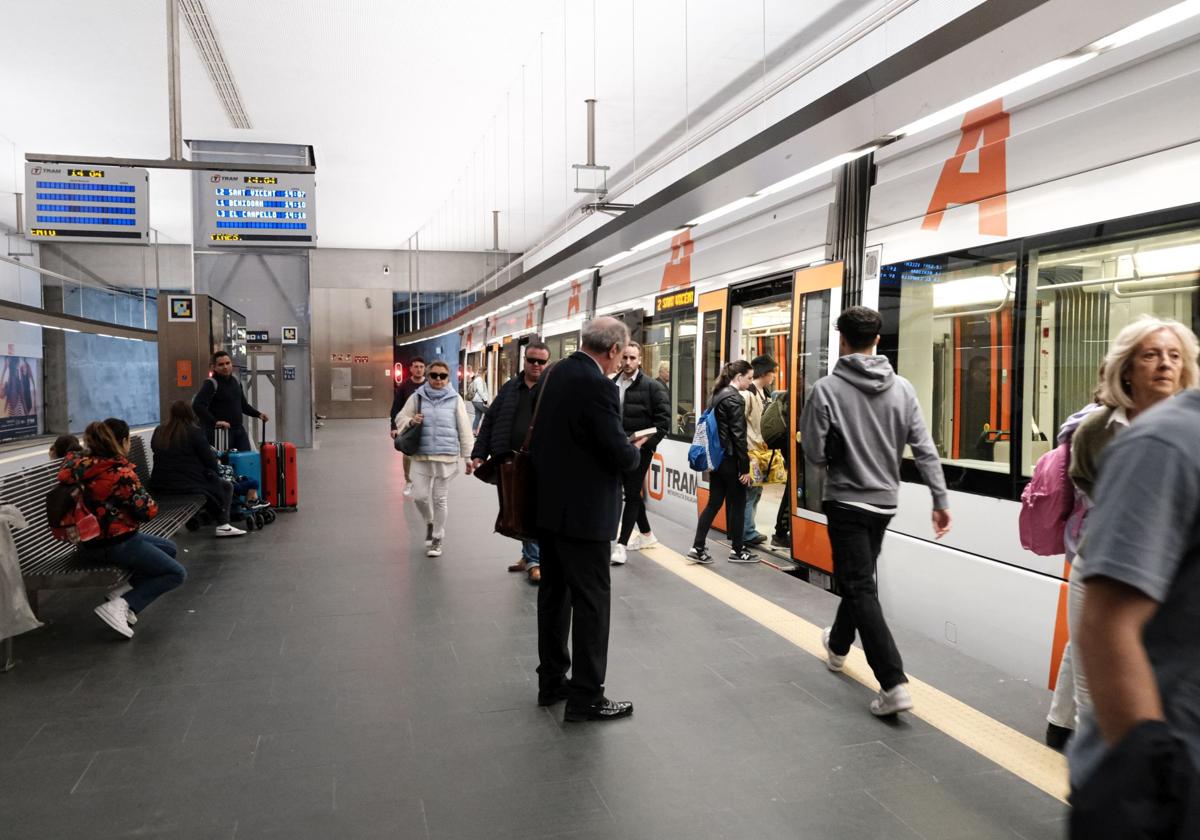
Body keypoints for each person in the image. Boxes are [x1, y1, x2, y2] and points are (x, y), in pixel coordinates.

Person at [1046, 317, 1198, 750]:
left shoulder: (1192, 426)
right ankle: (1103, 772)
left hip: (1174, 576)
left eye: (1173, 356)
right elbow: (1082, 475)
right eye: (1150, 355)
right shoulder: (1097, 428)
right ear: (1127, 368)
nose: (1164, 365)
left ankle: (1072, 732)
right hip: (1102, 563)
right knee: (1097, 677)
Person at [800, 306, 951, 717]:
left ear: (842, 341)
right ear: (877, 340)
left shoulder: (826, 390)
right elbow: (923, 447)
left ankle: (893, 682)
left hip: (846, 501)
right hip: (885, 503)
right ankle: (836, 646)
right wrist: (940, 499)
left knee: (860, 586)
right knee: (859, 579)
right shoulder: (902, 388)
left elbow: (812, 452)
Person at [1068, 387, 1200, 837]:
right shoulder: (1164, 445)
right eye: (1149, 355)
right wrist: (1159, 796)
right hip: (1172, 778)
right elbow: (1106, 627)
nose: (1162, 364)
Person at [531, 317, 647, 721]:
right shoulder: (598, 385)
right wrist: (633, 449)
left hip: (549, 509)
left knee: (554, 598)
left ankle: (551, 682)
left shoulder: (557, 371)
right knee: (593, 604)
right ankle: (587, 698)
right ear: (614, 350)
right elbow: (617, 452)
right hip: (584, 515)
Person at [57, 418, 185, 638]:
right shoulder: (118, 473)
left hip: (88, 541)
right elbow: (148, 511)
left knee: (169, 548)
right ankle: (125, 604)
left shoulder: (79, 464)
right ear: (124, 441)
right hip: (115, 543)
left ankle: (122, 592)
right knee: (175, 573)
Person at [470, 342, 551, 582]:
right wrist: (479, 452)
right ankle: (528, 556)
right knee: (519, 509)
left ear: (547, 364)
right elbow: (491, 421)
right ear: (524, 361)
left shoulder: (551, 389)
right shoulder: (510, 388)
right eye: (531, 360)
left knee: (533, 508)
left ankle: (535, 560)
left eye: (541, 361)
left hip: (540, 461)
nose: (536, 365)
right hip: (510, 460)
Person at [395, 360, 475, 557]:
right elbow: (400, 418)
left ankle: (437, 537)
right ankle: (430, 522)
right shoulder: (417, 397)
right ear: (428, 377)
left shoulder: (455, 399)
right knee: (420, 497)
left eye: (443, 376)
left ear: (448, 378)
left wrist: (468, 457)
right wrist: (411, 421)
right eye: (434, 375)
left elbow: (464, 428)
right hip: (421, 455)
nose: (438, 379)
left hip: (446, 456)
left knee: (440, 499)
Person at [689, 359, 755, 565]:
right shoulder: (735, 399)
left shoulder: (718, 395)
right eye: (749, 378)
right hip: (731, 459)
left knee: (714, 502)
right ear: (739, 377)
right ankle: (738, 550)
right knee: (738, 504)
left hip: (717, 459)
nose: (750, 382)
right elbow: (738, 436)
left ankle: (697, 547)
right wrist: (744, 468)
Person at [610, 342, 670, 566]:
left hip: (640, 449)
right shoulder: (612, 383)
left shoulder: (653, 387)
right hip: (618, 447)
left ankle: (621, 545)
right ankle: (646, 534)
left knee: (632, 492)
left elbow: (663, 422)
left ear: (640, 360)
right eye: (624, 357)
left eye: (632, 358)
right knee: (632, 493)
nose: (627, 362)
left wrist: (645, 443)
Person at [150, 400, 246, 538]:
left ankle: (202, 519)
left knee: (213, 485)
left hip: (160, 483)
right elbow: (209, 460)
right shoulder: (194, 431)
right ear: (190, 413)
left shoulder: (160, 430)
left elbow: (155, 449)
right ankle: (223, 524)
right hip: (186, 485)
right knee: (226, 486)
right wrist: (214, 471)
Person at [192, 351, 268, 452]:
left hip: (238, 430)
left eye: (228, 363)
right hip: (220, 432)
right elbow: (197, 405)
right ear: (214, 367)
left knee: (245, 459)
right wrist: (215, 422)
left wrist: (258, 414)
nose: (225, 367)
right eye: (221, 364)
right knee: (224, 463)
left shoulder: (236, 381)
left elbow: (243, 405)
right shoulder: (211, 383)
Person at [742, 354, 778, 548]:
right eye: (772, 372)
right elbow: (742, 424)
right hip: (751, 451)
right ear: (765, 373)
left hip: (761, 451)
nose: (774, 376)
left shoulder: (764, 392)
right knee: (751, 492)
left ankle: (749, 527)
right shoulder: (748, 394)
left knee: (757, 491)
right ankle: (746, 531)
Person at [389, 357, 427, 497]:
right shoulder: (404, 385)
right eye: (416, 366)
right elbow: (396, 408)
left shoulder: (429, 385)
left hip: (426, 426)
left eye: (421, 367)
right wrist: (394, 427)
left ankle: (424, 481)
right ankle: (409, 481)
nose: (418, 369)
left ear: (425, 369)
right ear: (411, 369)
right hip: (408, 425)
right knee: (408, 454)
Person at [466, 367, 491, 433]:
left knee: (478, 416)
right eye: (486, 372)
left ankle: (473, 431)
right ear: (484, 372)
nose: (486, 373)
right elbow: (480, 391)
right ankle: (487, 431)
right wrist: (485, 400)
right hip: (479, 400)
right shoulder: (479, 379)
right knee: (490, 414)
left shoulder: (477, 379)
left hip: (475, 401)